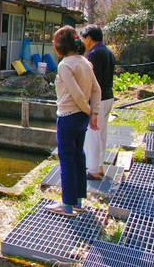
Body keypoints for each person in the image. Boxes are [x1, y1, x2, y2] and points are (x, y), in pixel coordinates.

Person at [44, 26, 101, 216]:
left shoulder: (65, 64)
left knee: (67, 160)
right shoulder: (84, 62)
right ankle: (77, 200)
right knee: (78, 156)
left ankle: (66, 204)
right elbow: (96, 89)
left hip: (68, 117)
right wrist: (92, 113)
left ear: (60, 45)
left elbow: (76, 93)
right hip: (82, 119)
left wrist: (89, 109)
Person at [81, 25, 116, 180]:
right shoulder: (108, 51)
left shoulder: (94, 53)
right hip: (109, 97)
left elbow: (93, 83)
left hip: (99, 100)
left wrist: (89, 104)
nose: (82, 42)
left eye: (83, 38)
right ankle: (100, 166)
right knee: (102, 133)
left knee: (93, 134)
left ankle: (93, 170)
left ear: (89, 38)